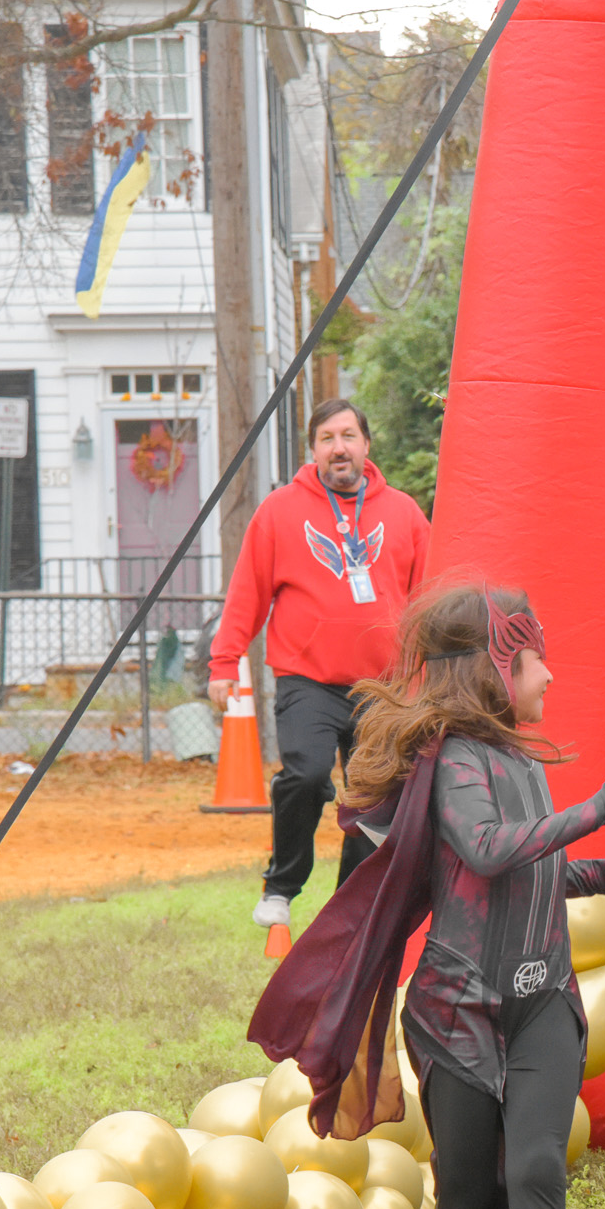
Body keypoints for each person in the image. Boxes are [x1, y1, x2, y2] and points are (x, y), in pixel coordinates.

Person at [250, 585, 605, 1209]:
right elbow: (481, 849)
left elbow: (522, 868)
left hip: (543, 1003)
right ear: (496, 665)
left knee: (539, 1166)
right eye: (538, 657)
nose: (550, 677)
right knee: (469, 1200)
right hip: (456, 1012)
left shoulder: (517, 754)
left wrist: (600, 871)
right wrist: (598, 809)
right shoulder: (453, 763)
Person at [209, 398, 431, 936]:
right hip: (307, 678)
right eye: (328, 437)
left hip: (383, 688)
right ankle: (282, 886)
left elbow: (428, 599)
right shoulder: (280, 511)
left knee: (372, 801)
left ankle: (346, 909)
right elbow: (247, 594)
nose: (339, 447)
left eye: (349, 436)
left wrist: (433, 677)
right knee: (306, 777)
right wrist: (224, 660)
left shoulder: (403, 513)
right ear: (313, 450)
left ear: (366, 445)